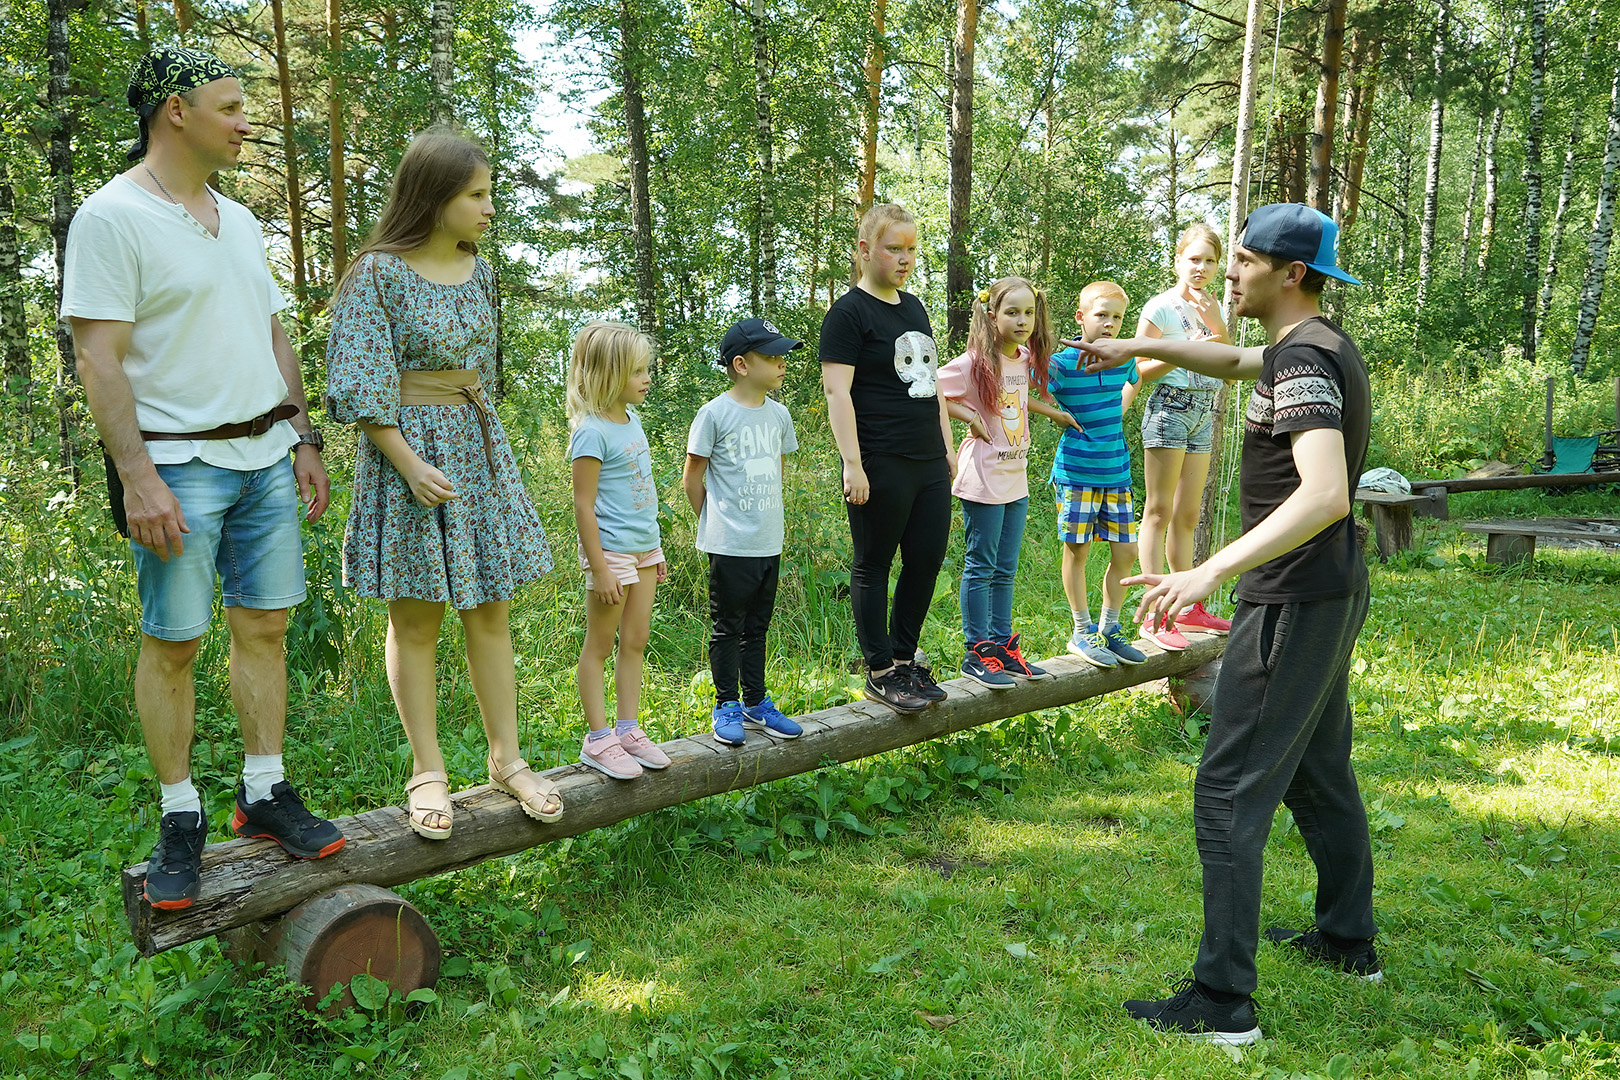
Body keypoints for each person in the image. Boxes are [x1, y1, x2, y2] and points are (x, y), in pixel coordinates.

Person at [1076, 203, 1377, 1044]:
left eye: (1243, 261)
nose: (1231, 273)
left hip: (1293, 598)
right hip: (1327, 590)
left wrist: (1208, 569)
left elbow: (1326, 493)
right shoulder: (1305, 346)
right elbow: (1230, 358)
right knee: (1317, 768)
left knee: (1227, 789)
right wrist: (1138, 346)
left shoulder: (1306, 362)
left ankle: (1222, 1002)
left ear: (1289, 275)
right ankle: (1349, 939)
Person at [64, 46, 343, 910]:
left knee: (265, 630)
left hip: (264, 455)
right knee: (175, 639)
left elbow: (271, 335)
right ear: (175, 111)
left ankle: (262, 794)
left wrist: (303, 436)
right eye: (230, 107)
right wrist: (136, 474)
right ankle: (179, 814)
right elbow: (96, 355)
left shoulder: (242, 220)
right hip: (177, 464)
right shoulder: (111, 218)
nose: (246, 121)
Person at [324, 130, 561, 840]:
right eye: (477, 195)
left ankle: (506, 758)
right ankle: (428, 769)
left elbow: (479, 368)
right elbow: (359, 382)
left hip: (475, 444)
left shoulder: (479, 269)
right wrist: (408, 462)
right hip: (408, 458)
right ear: (435, 198)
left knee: (490, 606)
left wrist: (481, 449)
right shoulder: (376, 273)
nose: (489, 208)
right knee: (417, 615)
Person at [819, 204, 956, 714]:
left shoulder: (915, 307)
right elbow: (838, 394)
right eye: (893, 249)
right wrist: (852, 463)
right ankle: (878, 669)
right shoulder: (848, 313)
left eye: (911, 249)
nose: (904, 259)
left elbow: (932, 385)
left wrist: (945, 448)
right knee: (874, 564)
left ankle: (904, 660)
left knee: (925, 561)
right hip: (879, 458)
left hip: (926, 459)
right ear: (865, 250)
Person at [937, 277, 1075, 688]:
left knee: (1006, 568)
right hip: (982, 476)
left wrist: (1052, 413)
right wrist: (971, 418)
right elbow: (932, 393)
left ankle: (1002, 646)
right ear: (992, 315)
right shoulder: (974, 362)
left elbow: (1011, 398)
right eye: (1012, 312)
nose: (1022, 320)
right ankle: (976, 651)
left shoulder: (1022, 359)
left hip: (1015, 476)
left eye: (1029, 312)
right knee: (981, 566)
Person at [682, 318, 806, 746]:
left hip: (767, 540)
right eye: (771, 357)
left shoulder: (779, 415)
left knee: (758, 627)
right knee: (728, 626)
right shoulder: (714, 413)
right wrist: (715, 524)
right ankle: (726, 704)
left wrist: (762, 523)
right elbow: (692, 478)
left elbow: (778, 472)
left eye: (781, 356)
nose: (781, 364)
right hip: (729, 543)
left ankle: (756, 702)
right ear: (741, 364)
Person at [569, 321, 674, 779]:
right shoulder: (591, 433)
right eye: (638, 371)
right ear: (610, 375)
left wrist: (655, 548)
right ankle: (598, 739)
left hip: (643, 550)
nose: (646, 378)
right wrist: (600, 567)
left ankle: (628, 728)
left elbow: (641, 491)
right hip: (609, 553)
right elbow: (583, 505)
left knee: (635, 641)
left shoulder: (632, 423)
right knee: (600, 645)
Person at [1131, 222, 1234, 650]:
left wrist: (1216, 327)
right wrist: (1184, 348)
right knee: (1158, 510)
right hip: (1169, 408)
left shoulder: (1212, 306)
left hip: (1204, 413)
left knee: (1188, 515)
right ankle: (1155, 613)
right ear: (1178, 260)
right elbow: (1139, 368)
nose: (1202, 267)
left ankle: (1187, 607)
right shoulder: (1162, 307)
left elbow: (1228, 359)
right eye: (1194, 259)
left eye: (1210, 261)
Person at [1046, 281, 1148, 670]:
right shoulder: (1062, 363)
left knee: (1126, 552)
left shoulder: (1123, 357)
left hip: (1116, 472)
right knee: (1079, 550)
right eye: (1101, 315)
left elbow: (1135, 380)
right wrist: (1058, 415)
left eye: (1117, 317)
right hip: (1077, 472)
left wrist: (1121, 409)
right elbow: (1026, 390)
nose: (1109, 323)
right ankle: (1081, 629)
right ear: (1081, 317)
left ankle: (1110, 628)